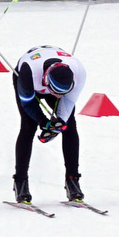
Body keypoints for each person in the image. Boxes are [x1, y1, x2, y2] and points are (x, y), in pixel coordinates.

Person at [12, 45, 87, 204]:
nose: (57, 96)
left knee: (70, 127)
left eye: (61, 93)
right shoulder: (28, 72)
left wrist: (60, 123)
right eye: (55, 91)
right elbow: (28, 104)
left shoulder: (79, 72)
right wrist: (44, 122)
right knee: (28, 126)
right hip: (31, 79)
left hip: (55, 80)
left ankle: (73, 180)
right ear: (47, 80)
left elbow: (68, 102)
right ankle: (20, 182)